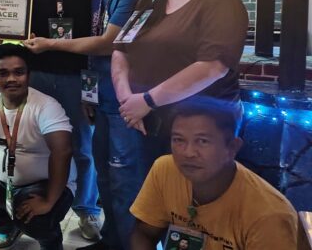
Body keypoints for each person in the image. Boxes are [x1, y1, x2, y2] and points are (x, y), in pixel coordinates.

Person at [24, 0, 144, 249]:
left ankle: (128, 242)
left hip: (126, 98)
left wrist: (50, 43)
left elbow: (108, 43)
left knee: (124, 174)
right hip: (102, 94)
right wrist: (89, 95)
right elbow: (94, 55)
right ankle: (112, 238)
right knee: (105, 170)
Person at [112, 0, 249, 166]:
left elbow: (212, 67)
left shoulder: (222, 2)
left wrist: (147, 100)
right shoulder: (151, 3)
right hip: (143, 120)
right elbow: (120, 51)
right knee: (153, 185)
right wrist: (127, 101)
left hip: (199, 128)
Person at [12, 0, 104, 238]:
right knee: (33, 144)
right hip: (37, 68)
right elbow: (18, 11)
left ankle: (87, 209)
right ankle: (26, 210)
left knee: (83, 145)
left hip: (81, 70)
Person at [130, 98, 309, 250]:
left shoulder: (269, 215)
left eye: (202, 141)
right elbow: (144, 233)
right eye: (179, 140)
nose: (188, 152)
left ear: (232, 148)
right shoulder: (165, 169)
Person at [0, 44, 74, 250]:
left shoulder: (46, 106)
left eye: (19, 72)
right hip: (0, 181)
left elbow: (62, 151)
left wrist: (49, 200)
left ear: (29, 75)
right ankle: (7, 228)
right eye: (3, 73)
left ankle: (51, 242)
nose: (12, 79)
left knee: (35, 216)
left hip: (44, 183)